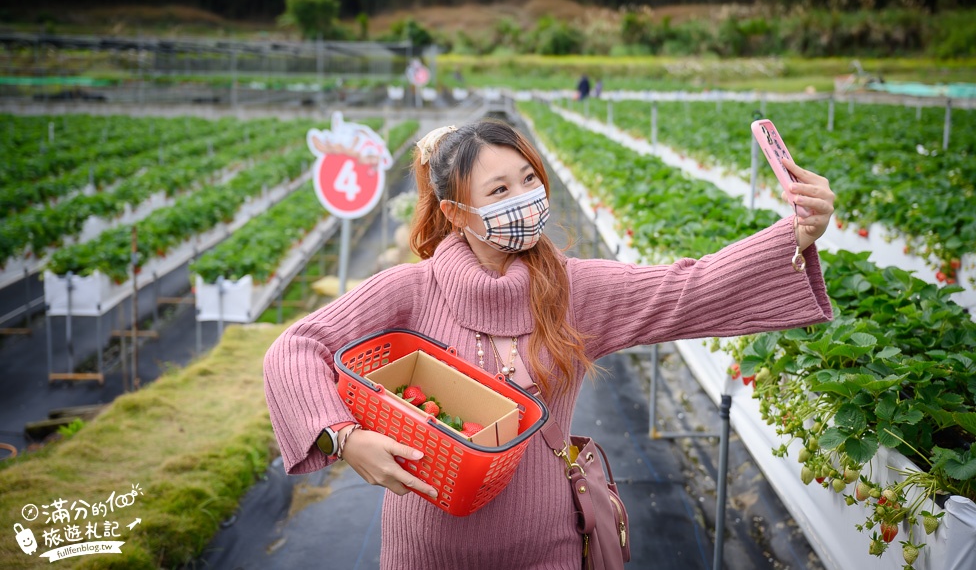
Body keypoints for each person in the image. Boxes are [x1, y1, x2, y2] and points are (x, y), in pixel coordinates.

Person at [263, 118, 836, 569]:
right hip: (425, 552)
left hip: (548, 547)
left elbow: (684, 290)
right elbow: (296, 346)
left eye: (530, 179)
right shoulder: (409, 291)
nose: (525, 197)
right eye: (500, 189)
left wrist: (796, 233)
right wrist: (345, 440)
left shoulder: (575, 290)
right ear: (456, 214)